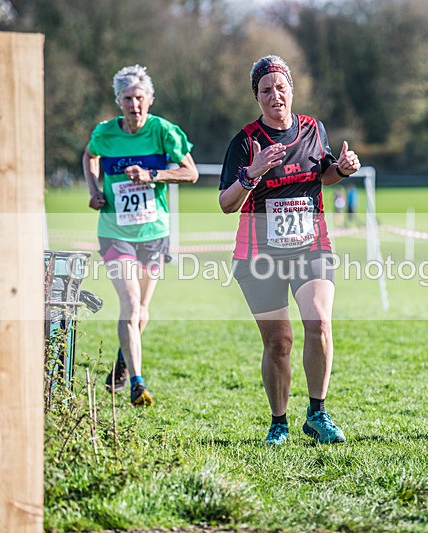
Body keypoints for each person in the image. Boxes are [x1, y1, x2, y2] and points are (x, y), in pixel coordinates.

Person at [219, 55, 361, 445]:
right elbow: (226, 203)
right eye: (266, 90)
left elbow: (325, 173)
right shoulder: (246, 141)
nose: (275, 95)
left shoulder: (313, 129)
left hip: (310, 246)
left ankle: (317, 412)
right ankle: (278, 422)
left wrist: (344, 169)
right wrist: (253, 173)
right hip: (258, 253)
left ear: (292, 89)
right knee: (279, 341)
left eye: (281, 87)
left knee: (318, 323)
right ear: (257, 96)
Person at [83, 64, 199, 406]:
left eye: (140, 98)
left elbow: (190, 173)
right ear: (118, 101)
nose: (134, 105)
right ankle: (137, 382)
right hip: (114, 230)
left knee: (143, 308)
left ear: (149, 100)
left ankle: (122, 360)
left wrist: (152, 175)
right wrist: (93, 189)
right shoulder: (105, 133)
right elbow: (89, 155)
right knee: (130, 303)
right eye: (128, 98)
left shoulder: (164, 131)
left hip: (153, 232)